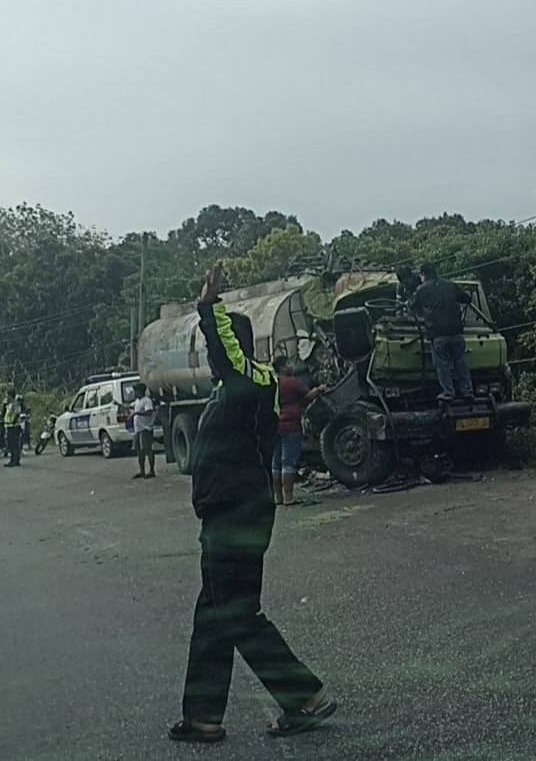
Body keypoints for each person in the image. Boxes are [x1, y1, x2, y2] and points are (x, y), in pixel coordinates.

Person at [170, 261, 335, 745]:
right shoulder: (233, 392)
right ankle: (203, 717)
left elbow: (225, 352)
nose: (209, 355)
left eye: (215, 346)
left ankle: (305, 696)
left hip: (238, 516)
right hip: (224, 514)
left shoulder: (252, 382)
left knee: (237, 613)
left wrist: (208, 306)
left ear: (232, 347)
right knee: (214, 612)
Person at [409, 262, 474, 401]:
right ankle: (468, 391)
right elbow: (467, 298)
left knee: (442, 365)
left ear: (423, 275)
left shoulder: (422, 289)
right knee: (460, 363)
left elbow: (411, 305)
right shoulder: (450, 285)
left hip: (438, 335)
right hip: (456, 333)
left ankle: (448, 393)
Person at [271, 356, 325, 506]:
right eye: (288, 363)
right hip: (290, 426)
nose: (291, 366)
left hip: (275, 427)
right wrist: (319, 389)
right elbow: (309, 395)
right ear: (282, 367)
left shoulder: (272, 383)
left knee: (276, 463)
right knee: (288, 462)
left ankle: (278, 498)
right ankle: (289, 497)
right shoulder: (291, 382)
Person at [131, 383, 156, 479]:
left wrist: (137, 413)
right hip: (138, 429)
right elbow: (130, 406)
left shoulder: (147, 401)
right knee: (139, 451)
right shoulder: (137, 401)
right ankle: (142, 471)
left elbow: (149, 412)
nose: (134, 393)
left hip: (145, 429)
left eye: (135, 391)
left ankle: (151, 470)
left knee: (147, 449)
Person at [2, 389, 25, 467]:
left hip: (14, 427)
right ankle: (14, 460)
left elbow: (17, 413)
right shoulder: (8, 404)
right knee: (10, 444)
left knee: (14, 445)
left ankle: (14, 461)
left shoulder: (15, 404)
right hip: (9, 426)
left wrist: (13, 421)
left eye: (7, 395)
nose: (6, 397)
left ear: (10, 395)